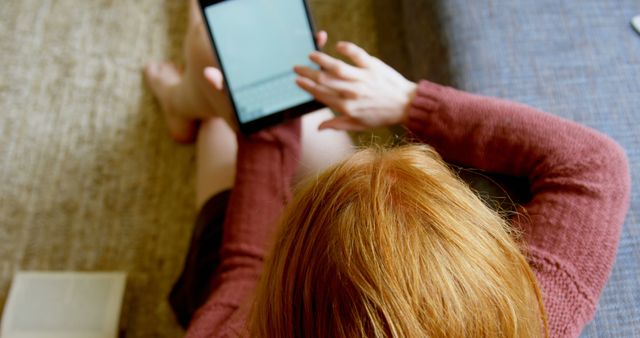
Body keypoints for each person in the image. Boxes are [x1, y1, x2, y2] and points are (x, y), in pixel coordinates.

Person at [145, 1, 631, 337]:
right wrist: (407, 101)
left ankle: (179, 101)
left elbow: (244, 269)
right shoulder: (525, 319)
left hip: (238, 279)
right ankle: (196, 99)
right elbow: (591, 168)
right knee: (271, 87)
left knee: (221, 69)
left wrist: (263, 129)